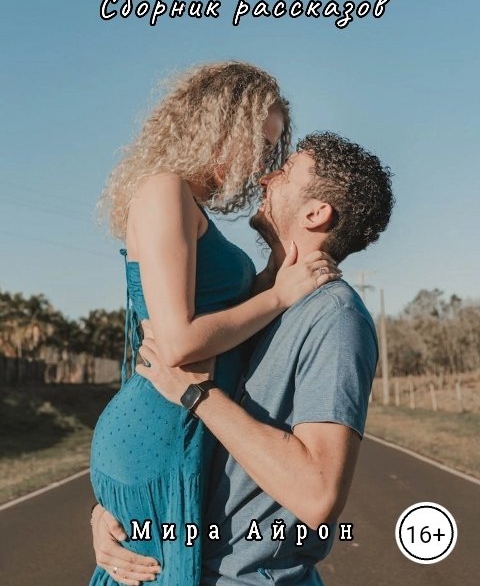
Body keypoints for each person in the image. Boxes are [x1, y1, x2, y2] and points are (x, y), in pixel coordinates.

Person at [91, 131, 394, 586]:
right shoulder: (257, 306)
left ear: (315, 213)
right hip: (176, 557)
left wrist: (197, 394)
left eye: (285, 172)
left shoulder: (334, 316)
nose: (265, 177)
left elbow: (317, 494)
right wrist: (116, 513)